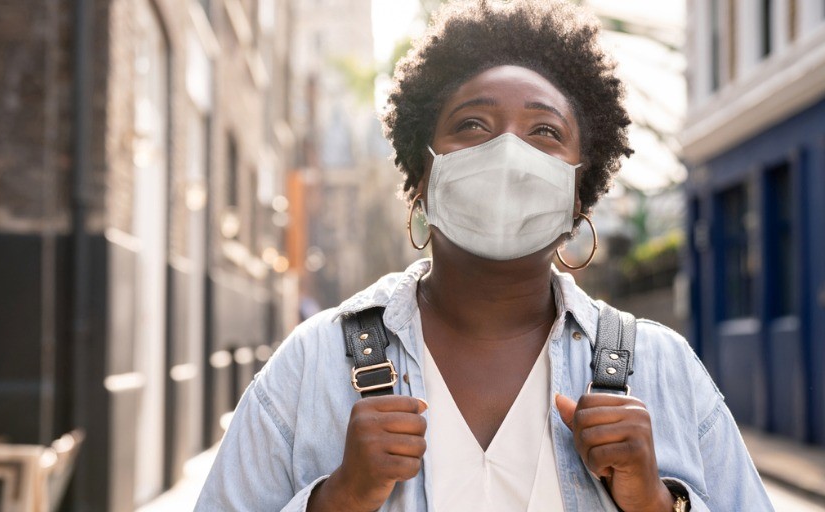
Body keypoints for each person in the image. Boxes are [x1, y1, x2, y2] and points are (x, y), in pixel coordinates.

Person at [195, 1, 773, 510]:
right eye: (472, 124)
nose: (507, 153)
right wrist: (337, 500)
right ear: (423, 176)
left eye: (544, 131)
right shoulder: (311, 366)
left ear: (580, 193)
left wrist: (657, 504)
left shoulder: (663, 369)